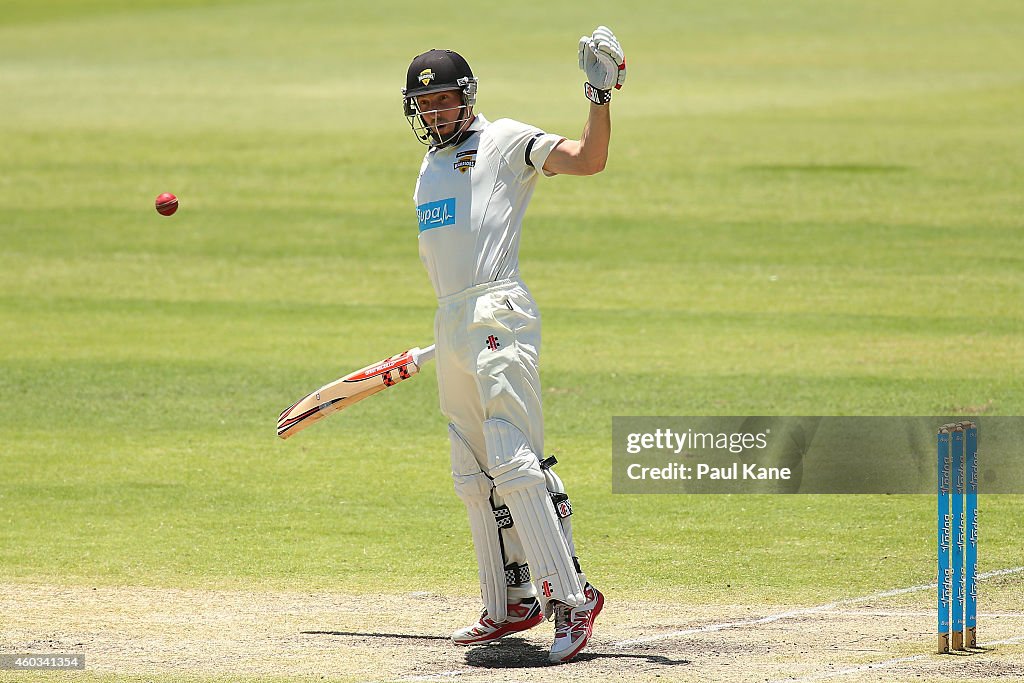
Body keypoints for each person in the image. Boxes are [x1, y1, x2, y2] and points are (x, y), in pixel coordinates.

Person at [402, 27, 626, 664]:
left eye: (446, 99)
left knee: (513, 459)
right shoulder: (428, 167)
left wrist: (599, 95)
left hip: (500, 310)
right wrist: (438, 344)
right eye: (426, 104)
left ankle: (574, 601)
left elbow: (587, 159)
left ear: (467, 97)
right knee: (472, 469)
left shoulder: (503, 140)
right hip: (453, 323)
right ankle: (511, 603)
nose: (436, 111)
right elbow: (451, 265)